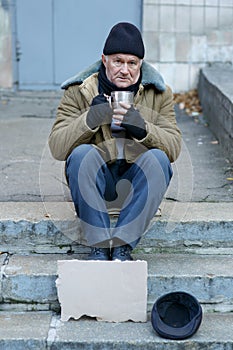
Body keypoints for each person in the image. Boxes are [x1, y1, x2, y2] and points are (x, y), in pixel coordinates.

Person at [48, 22, 181, 261]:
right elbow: (57, 146)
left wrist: (143, 129)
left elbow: (174, 147)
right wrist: (90, 119)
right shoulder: (78, 91)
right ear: (104, 60)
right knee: (80, 155)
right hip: (95, 185)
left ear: (140, 64)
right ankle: (99, 247)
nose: (125, 70)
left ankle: (122, 247)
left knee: (159, 159)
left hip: (137, 187)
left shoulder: (159, 93)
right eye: (118, 61)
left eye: (132, 63)